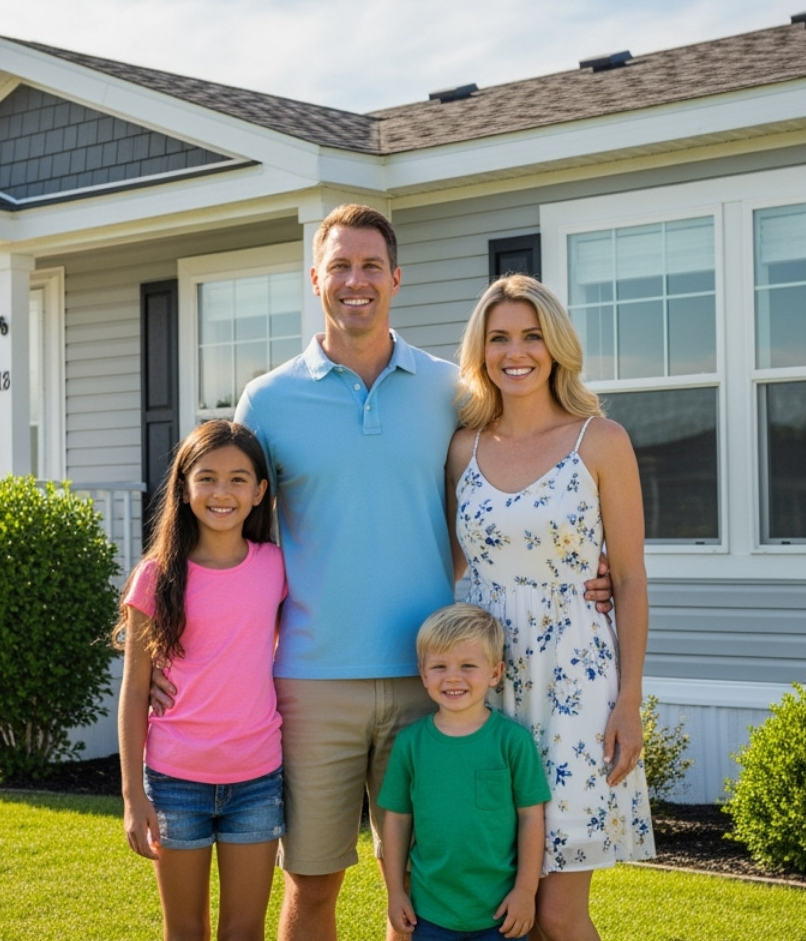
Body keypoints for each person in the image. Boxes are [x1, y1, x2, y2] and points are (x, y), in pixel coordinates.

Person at [160, 203, 607, 941]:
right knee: (313, 882)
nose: (355, 281)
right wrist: (173, 640)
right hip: (309, 681)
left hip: (432, 681)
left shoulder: (450, 392)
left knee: (430, 884)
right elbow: (228, 539)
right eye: (340, 265)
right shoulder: (268, 401)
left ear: (396, 278)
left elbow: (510, 490)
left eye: (371, 265)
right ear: (315, 279)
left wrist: (588, 572)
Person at [447, 274, 655, 941]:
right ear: (480, 351)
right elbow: (453, 568)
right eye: (500, 337)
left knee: (560, 912)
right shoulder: (461, 449)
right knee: (500, 903)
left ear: (556, 346)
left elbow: (627, 578)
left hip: (575, 689)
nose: (517, 351)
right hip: (483, 690)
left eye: (532, 336)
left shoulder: (601, 440)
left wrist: (630, 700)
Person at [117, 419, 287, 941]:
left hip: (256, 780)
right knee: (185, 929)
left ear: (260, 492)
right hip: (174, 782)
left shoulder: (277, 566)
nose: (222, 492)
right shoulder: (157, 577)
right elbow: (134, 690)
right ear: (185, 487)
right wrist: (132, 796)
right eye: (207, 478)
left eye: (239, 479)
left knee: (244, 930)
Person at [379, 604, 550, 941]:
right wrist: (396, 891)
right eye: (439, 666)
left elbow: (531, 818)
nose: (453, 677)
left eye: (468, 666)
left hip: (501, 913)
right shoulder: (410, 744)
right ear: (423, 674)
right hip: (430, 913)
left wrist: (525, 892)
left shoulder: (513, 742)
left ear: (495, 673)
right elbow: (397, 821)